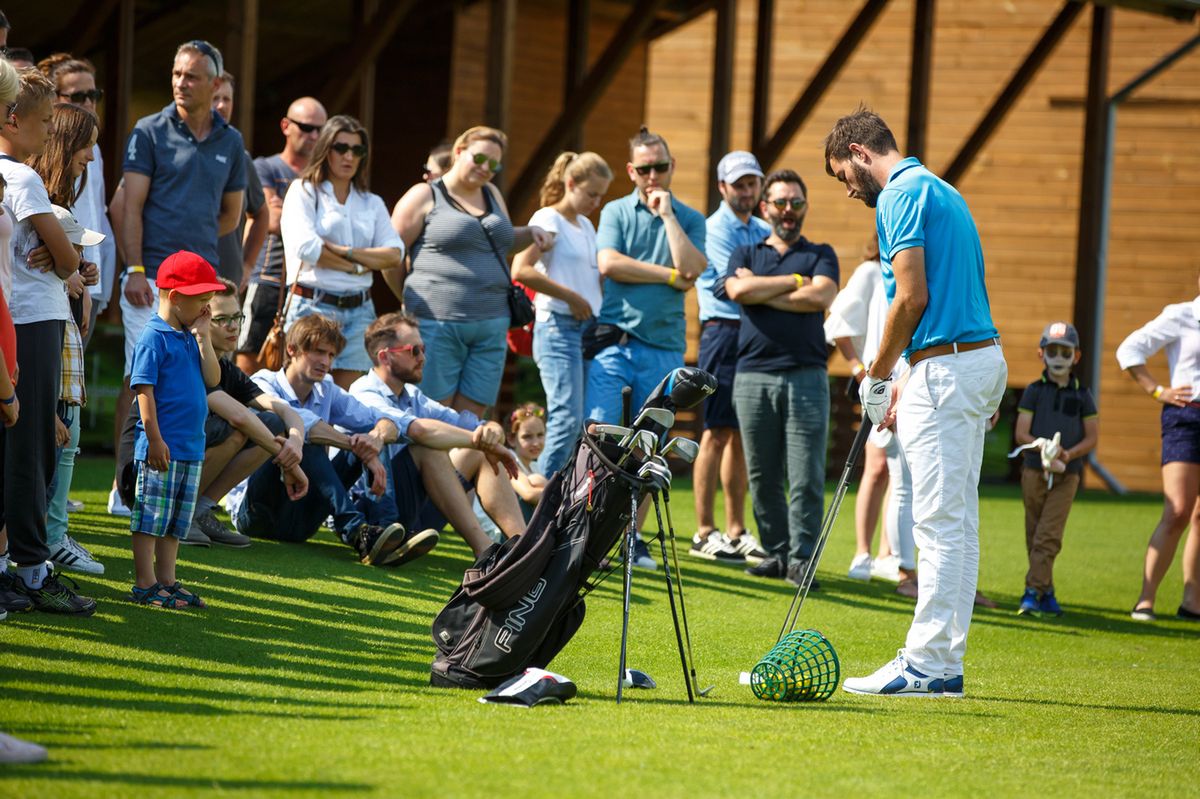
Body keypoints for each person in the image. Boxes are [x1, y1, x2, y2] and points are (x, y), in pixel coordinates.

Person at [826, 108, 1007, 697]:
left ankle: (927, 664)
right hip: (966, 360)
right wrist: (905, 375)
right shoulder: (943, 188)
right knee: (956, 522)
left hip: (949, 368)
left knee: (936, 524)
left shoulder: (897, 196)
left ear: (858, 152)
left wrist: (875, 375)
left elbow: (911, 297)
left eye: (842, 175)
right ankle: (942, 662)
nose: (847, 189)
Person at [110, 39, 245, 517]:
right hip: (151, 282)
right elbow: (131, 206)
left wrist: (200, 267)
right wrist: (136, 268)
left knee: (188, 382)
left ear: (215, 84)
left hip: (198, 289)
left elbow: (229, 216)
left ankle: (163, 484)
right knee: (140, 378)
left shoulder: (231, 140)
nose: (181, 83)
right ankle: (124, 486)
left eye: (191, 76)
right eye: (176, 74)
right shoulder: (148, 130)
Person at [584, 126, 707, 568]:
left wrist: (669, 218)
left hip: (665, 350)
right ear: (631, 171)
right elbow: (609, 263)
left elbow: (693, 268)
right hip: (615, 343)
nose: (653, 176)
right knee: (599, 439)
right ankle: (587, 530)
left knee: (649, 448)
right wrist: (670, 276)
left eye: (661, 167)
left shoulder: (689, 218)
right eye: (645, 169)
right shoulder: (616, 211)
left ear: (671, 167)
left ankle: (632, 538)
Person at [228, 314, 439, 567]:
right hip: (255, 515)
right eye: (318, 352)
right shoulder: (263, 382)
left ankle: (384, 532)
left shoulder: (327, 389)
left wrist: (376, 437)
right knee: (303, 438)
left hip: (300, 523)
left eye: (330, 355)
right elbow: (301, 423)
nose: (325, 362)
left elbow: (381, 418)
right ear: (292, 350)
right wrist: (359, 446)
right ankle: (356, 532)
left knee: (370, 436)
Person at [1, 66, 93, 615]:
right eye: (41, 120)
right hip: (33, 320)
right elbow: (66, 259)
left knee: (21, 444)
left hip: (17, 317)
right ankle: (34, 569)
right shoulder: (24, 179)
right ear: (13, 117)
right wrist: (70, 258)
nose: (46, 132)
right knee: (32, 449)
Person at [718, 169, 838, 586]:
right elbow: (737, 293)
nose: (789, 210)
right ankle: (777, 552)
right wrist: (795, 285)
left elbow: (823, 295)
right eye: (781, 203)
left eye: (797, 203)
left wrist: (763, 290)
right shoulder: (745, 253)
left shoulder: (821, 253)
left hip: (806, 376)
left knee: (806, 474)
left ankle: (802, 559)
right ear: (765, 207)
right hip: (752, 377)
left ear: (805, 207)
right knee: (761, 474)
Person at [391, 125, 551, 416]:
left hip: (492, 325)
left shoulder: (490, 193)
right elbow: (391, 254)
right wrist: (404, 293)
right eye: (479, 158)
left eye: (493, 164)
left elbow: (498, 242)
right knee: (432, 415)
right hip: (438, 323)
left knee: (470, 425)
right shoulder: (425, 195)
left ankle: (457, 465)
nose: (486, 168)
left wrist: (531, 232)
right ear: (459, 151)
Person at [349, 311, 526, 558]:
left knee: (479, 453)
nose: (423, 357)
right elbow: (419, 430)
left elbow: (473, 424)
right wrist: (486, 442)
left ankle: (525, 548)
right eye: (414, 351)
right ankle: (485, 550)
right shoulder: (363, 392)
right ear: (385, 356)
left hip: (408, 505)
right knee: (426, 446)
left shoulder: (412, 395)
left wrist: (491, 432)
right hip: (372, 512)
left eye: (423, 348)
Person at [128, 250, 224, 609]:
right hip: (161, 447)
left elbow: (213, 379)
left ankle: (166, 580)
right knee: (151, 516)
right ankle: (144, 582)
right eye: (201, 300)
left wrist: (204, 338)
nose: (206, 309)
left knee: (175, 521)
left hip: (190, 447)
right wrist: (154, 439)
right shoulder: (153, 337)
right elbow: (143, 391)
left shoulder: (190, 335)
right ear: (176, 296)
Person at [279, 114, 402, 389]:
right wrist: (360, 264)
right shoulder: (304, 190)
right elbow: (307, 248)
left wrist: (343, 251)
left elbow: (394, 254)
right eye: (341, 148)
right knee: (303, 392)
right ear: (326, 149)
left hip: (360, 311)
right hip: (312, 305)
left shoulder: (372, 202)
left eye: (357, 150)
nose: (349, 156)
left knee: (349, 398)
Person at [824, 234, 917, 596]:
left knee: (902, 472)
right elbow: (838, 326)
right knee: (877, 467)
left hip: (909, 382)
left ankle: (888, 555)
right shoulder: (869, 272)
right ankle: (863, 552)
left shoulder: (914, 272)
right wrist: (862, 372)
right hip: (880, 383)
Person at [511, 151, 611, 476]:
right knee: (567, 417)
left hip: (587, 330)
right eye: (591, 194)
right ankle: (539, 503)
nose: (596, 202)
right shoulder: (549, 219)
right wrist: (571, 297)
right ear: (571, 183)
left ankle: (559, 501)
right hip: (558, 326)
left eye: (601, 196)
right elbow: (521, 268)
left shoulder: (584, 225)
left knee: (583, 421)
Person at [187, 278, 308, 547]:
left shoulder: (228, 370)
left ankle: (198, 510)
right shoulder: (188, 359)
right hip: (149, 476)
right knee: (241, 428)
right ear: (201, 320)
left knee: (272, 423)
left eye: (237, 317)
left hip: (178, 465)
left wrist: (295, 443)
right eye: (221, 319)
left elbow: (282, 409)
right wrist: (289, 463)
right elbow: (239, 417)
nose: (233, 326)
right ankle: (182, 515)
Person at [692, 150, 770, 563]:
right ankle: (705, 531)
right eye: (738, 184)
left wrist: (762, 281)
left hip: (754, 334)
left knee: (741, 436)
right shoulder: (714, 228)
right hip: (722, 333)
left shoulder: (762, 226)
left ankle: (737, 531)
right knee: (716, 432)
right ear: (723, 188)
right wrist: (772, 282)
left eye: (752, 183)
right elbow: (731, 286)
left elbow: (758, 281)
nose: (746, 190)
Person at [1116, 282, 1200, 622]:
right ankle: (1145, 600)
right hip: (1186, 416)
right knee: (1179, 510)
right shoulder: (1181, 315)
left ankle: (1192, 603)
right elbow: (1129, 350)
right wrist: (1156, 390)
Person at [1012, 321, 1098, 617]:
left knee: (1049, 534)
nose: (1059, 357)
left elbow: (1092, 437)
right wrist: (1043, 446)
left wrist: (1067, 454)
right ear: (1041, 354)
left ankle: (1031, 592)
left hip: (1067, 474)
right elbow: (1021, 433)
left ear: (1076, 356)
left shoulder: (1083, 394)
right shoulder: (1034, 391)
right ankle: (1046, 593)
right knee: (1034, 533)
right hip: (1034, 470)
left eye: (1065, 352)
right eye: (1053, 351)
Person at [238, 96, 327, 375]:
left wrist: (287, 208)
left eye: (320, 130)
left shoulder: (327, 177)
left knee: (299, 366)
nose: (313, 135)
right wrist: (311, 221)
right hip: (268, 278)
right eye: (305, 127)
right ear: (286, 125)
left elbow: (284, 217)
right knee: (250, 360)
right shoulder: (265, 167)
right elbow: (271, 220)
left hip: (312, 283)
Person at [37, 53, 117, 340]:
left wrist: (93, 268)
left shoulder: (93, 155)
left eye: (94, 95)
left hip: (86, 271)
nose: (88, 103)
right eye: (78, 95)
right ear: (54, 97)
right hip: (59, 275)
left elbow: (98, 212)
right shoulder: (42, 153)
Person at [43, 206, 103, 576]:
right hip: (53, 398)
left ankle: (56, 532)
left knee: (65, 459)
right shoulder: (43, 290)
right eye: (75, 249)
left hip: (69, 393)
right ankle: (48, 537)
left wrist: (77, 283)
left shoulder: (68, 286)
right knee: (48, 469)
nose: (80, 258)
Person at [212, 71, 267, 287]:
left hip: (227, 284)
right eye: (215, 98)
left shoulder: (240, 157)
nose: (222, 106)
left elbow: (261, 214)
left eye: (227, 99)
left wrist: (248, 265)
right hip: (180, 282)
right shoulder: (172, 149)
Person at [505, 402, 549, 518]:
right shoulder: (507, 458)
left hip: (519, 521)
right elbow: (528, 494)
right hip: (497, 531)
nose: (536, 443)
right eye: (527, 437)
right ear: (511, 439)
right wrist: (564, 495)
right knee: (536, 480)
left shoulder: (534, 466)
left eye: (540, 435)